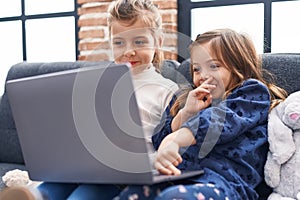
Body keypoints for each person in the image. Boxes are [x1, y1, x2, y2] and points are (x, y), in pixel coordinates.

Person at [0, 0, 178, 199]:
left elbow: (169, 140)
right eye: (119, 42)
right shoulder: (98, 83)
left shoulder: (167, 89)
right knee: (46, 190)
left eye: (139, 41)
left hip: (124, 175)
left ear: (158, 42)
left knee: (81, 196)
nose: (128, 50)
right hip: (84, 165)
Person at [110, 29, 288, 199]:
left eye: (213, 66)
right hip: (180, 176)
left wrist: (177, 139)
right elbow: (159, 140)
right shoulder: (187, 99)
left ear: (238, 66)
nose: (203, 75)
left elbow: (219, 122)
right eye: (197, 69)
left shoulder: (252, 94)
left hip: (225, 183)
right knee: (135, 192)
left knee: (175, 196)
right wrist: (186, 113)